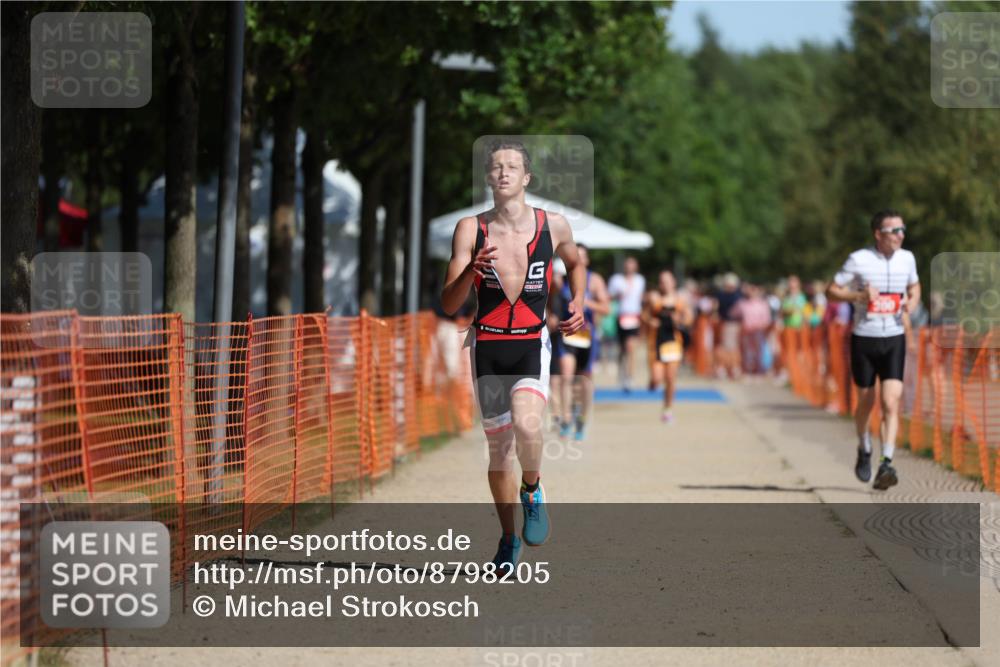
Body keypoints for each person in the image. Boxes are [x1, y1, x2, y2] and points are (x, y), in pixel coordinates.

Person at [440, 140, 585, 571]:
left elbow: (575, 263)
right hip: (486, 346)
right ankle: (507, 538)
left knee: (526, 424)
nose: (503, 172)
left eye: (512, 167)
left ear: (527, 178)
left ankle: (533, 488)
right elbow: (449, 304)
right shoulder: (471, 229)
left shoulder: (552, 225)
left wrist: (578, 301)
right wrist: (471, 270)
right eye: (496, 166)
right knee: (499, 449)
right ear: (488, 177)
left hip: (530, 342)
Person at [826, 209, 920, 491]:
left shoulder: (908, 258)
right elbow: (831, 290)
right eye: (894, 231)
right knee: (865, 403)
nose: (901, 235)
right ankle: (864, 447)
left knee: (891, 402)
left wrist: (911, 305)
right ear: (878, 234)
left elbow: (915, 287)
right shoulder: (859, 259)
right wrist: (859, 296)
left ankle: (887, 462)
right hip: (864, 338)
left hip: (893, 337)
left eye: (903, 229)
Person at [556, 244, 609, 440]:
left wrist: (586, 303)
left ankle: (582, 420)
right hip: (567, 335)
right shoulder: (561, 280)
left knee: (584, 381)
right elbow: (549, 302)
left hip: (587, 336)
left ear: (587, 260)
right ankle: (566, 419)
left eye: (582, 256)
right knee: (566, 377)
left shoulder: (594, 281)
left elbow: (606, 308)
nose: (578, 258)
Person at [645, 270, 692, 423]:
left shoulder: (680, 300)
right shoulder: (654, 299)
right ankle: (652, 382)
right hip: (656, 342)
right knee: (657, 379)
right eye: (661, 281)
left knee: (670, 378)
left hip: (673, 342)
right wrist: (650, 321)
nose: (664, 284)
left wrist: (680, 321)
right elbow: (644, 315)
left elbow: (689, 318)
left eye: (667, 281)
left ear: (673, 282)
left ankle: (668, 409)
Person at [607, 257, 646, 392]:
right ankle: (622, 373)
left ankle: (630, 377)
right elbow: (608, 296)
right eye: (627, 265)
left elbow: (641, 298)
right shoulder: (617, 280)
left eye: (632, 265)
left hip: (634, 316)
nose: (629, 267)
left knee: (631, 348)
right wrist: (617, 295)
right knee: (622, 349)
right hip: (621, 316)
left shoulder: (640, 280)